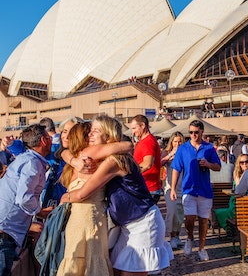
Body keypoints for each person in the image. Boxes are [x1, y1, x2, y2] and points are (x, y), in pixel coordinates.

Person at [60, 115, 173, 276]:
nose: (90, 135)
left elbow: (82, 194)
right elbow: (65, 151)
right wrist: (72, 159)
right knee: (113, 270)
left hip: (142, 223)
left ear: (108, 136)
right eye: (90, 131)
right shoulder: (107, 157)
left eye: (96, 131)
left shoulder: (113, 161)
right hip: (127, 225)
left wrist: (65, 198)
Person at [57, 121, 113, 276]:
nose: (92, 135)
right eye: (90, 133)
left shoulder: (74, 160)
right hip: (90, 219)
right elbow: (124, 146)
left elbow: (63, 151)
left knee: (76, 263)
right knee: (92, 263)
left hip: (77, 219)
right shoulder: (89, 158)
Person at [0, 124, 52, 274]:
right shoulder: (32, 163)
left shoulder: (27, 159)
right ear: (43, 140)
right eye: (49, 138)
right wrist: (40, 212)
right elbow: (24, 199)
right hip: (5, 231)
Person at [170, 120, 221, 261]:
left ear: (202, 132)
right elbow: (176, 169)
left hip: (204, 190)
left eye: (196, 132)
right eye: (191, 132)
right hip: (189, 189)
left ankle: (202, 248)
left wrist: (208, 164)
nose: (193, 135)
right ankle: (190, 238)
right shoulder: (183, 149)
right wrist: (173, 188)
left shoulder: (209, 148)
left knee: (204, 220)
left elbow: (218, 166)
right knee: (190, 218)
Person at [161, 131, 185, 250]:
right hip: (170, 187)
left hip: (182, 187)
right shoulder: (167, 152)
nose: (177, 144)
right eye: (175, 141)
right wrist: (170, 154)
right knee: (171, 211)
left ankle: (177, 235)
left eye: (179, 141)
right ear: (171, 142)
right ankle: (170, 236)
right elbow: (159, 163)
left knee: (180, 213)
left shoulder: (185, 152)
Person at [130, 115, 162, 203]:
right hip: (146, 187)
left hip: (148, 189)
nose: (133, 132)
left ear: (143, 126)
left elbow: (147, 164)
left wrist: (130, 174)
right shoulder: (144, 141)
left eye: (134, 128)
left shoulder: (148, 141)